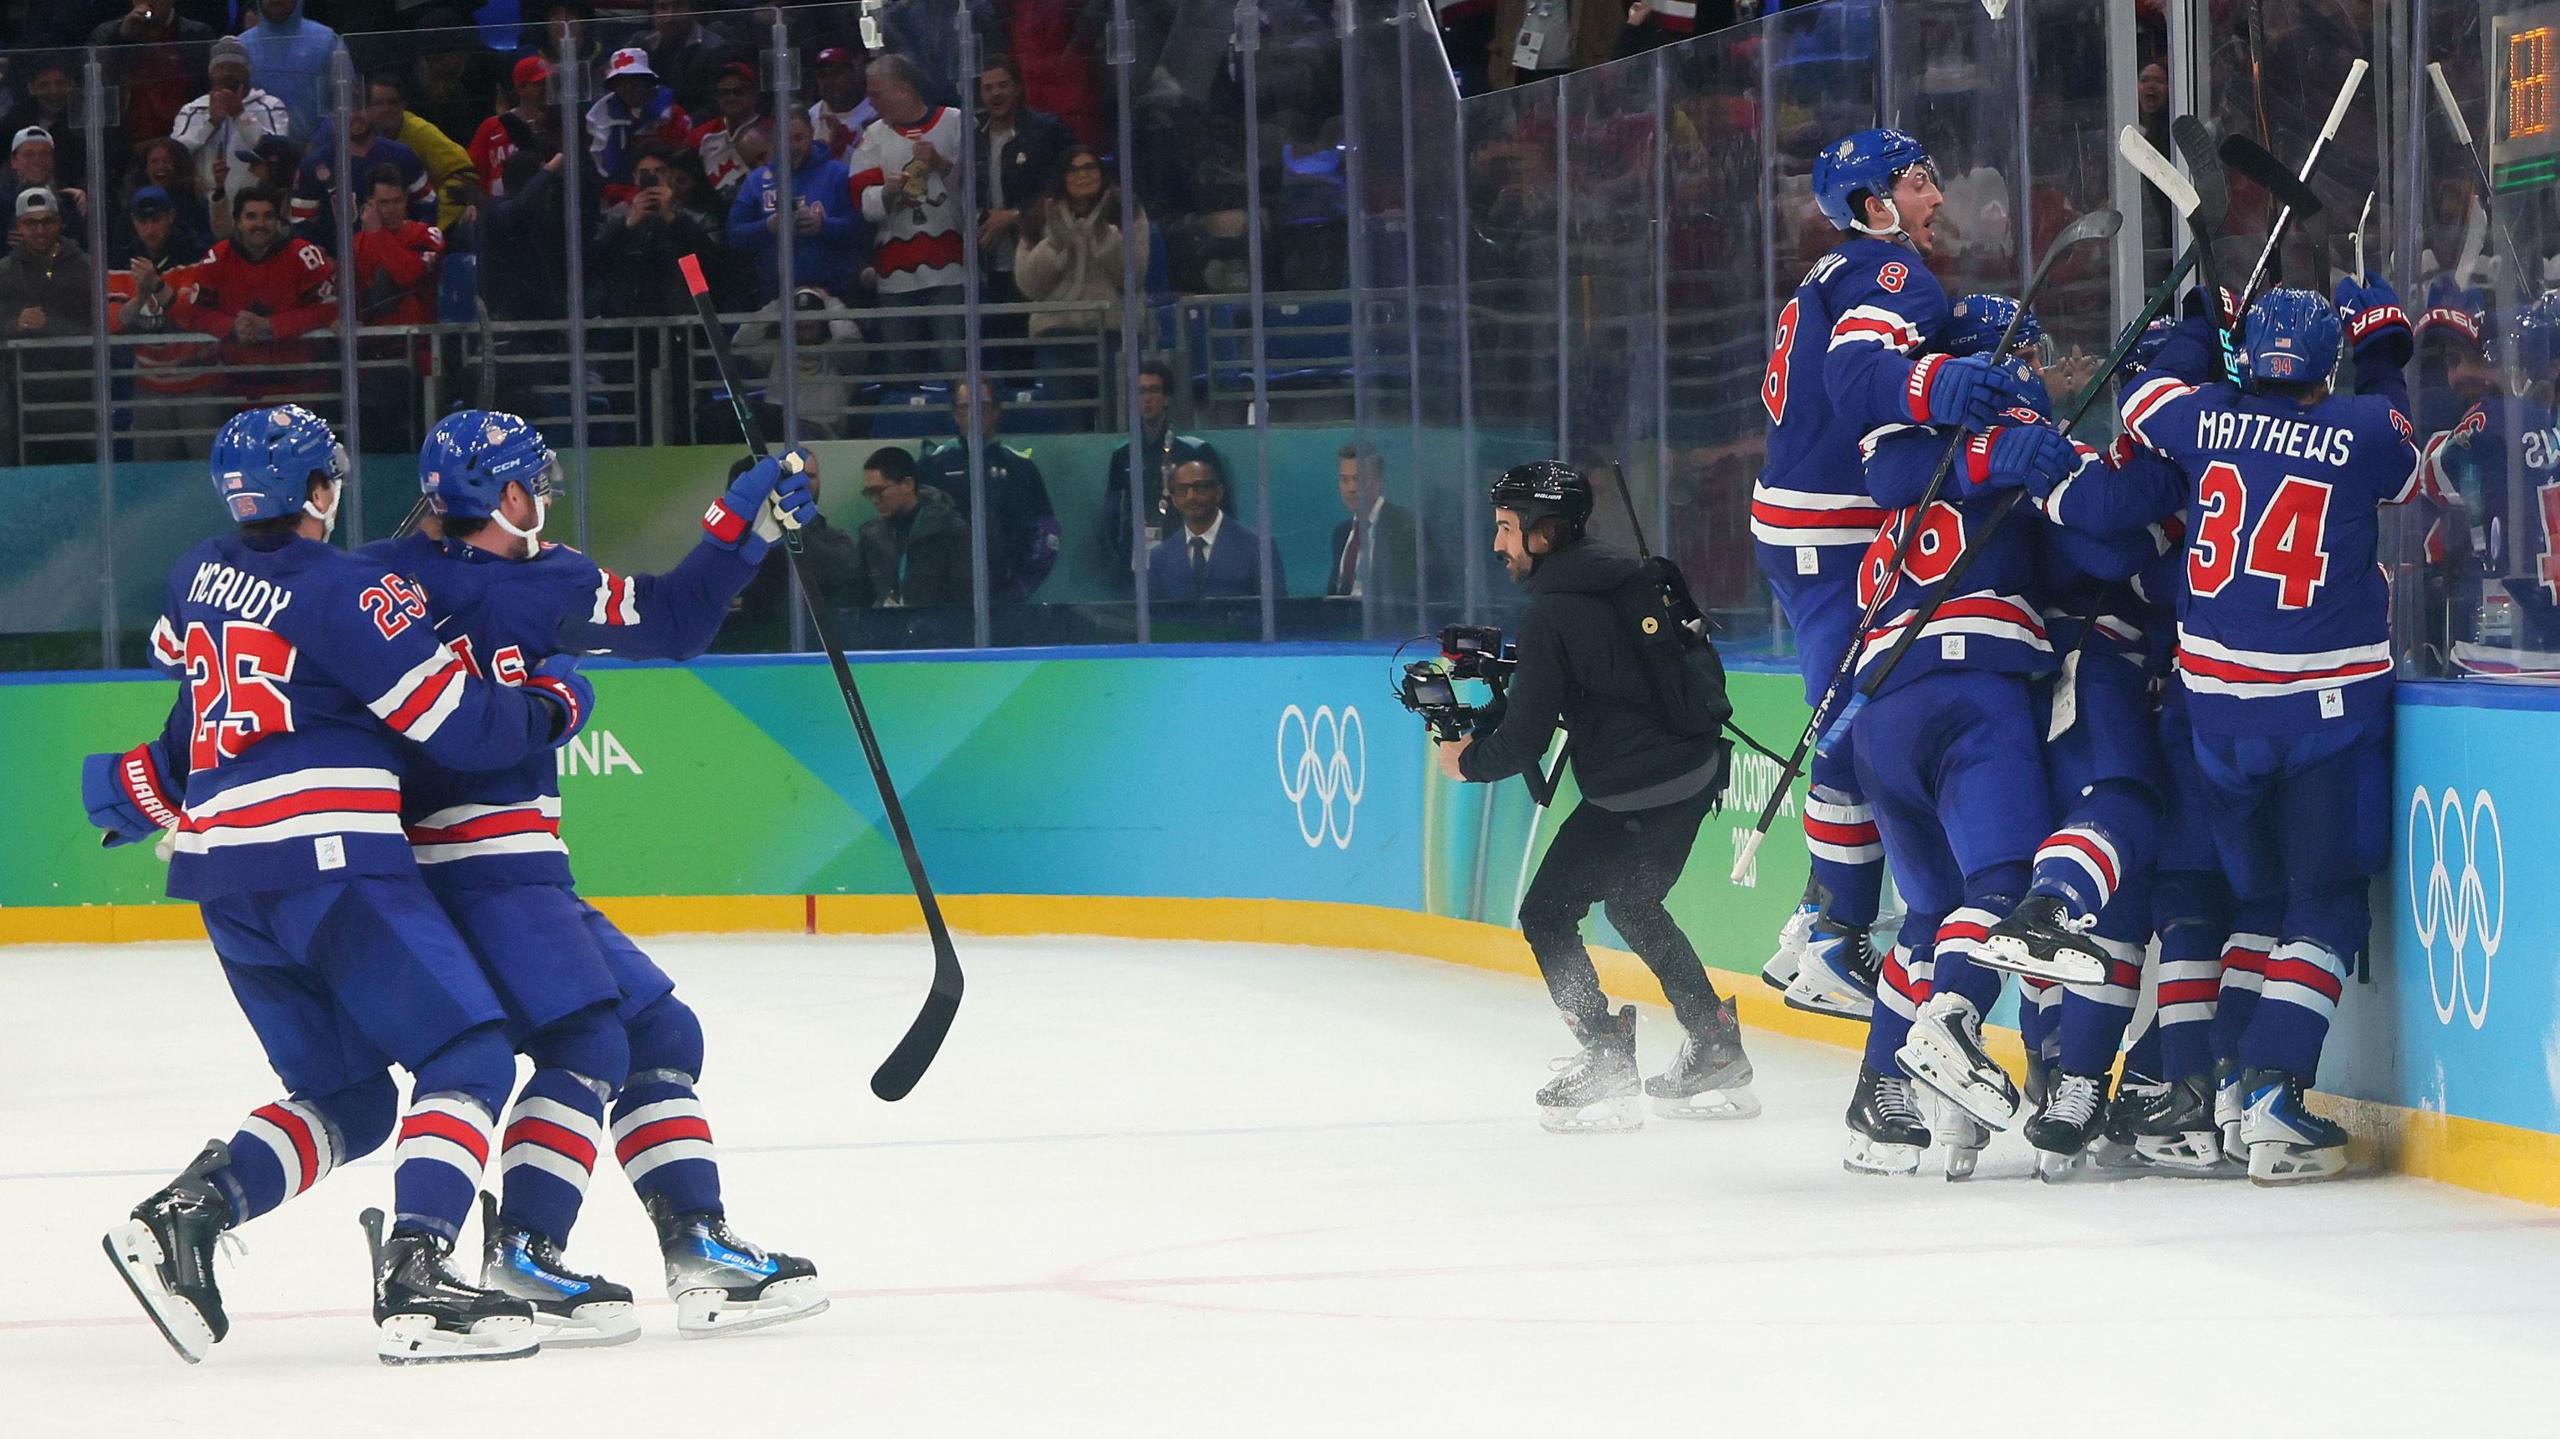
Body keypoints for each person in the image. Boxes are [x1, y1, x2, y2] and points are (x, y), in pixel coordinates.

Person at [86, 405, 590, 1365]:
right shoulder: (350, 588)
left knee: (350, 1096)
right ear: (321, 488)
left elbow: (180, 664)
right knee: (471, 1052)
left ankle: (186, 1213)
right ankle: (418, 1274)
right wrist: (557, 701)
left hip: (224, 874)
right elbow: (462, 728)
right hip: (328, 858)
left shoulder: (194, 573)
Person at [360, 412, 827, 1342]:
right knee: (588, 1042)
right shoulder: (544, 583)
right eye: (532, 480)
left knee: (659, 1029)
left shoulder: (375, 576)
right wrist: (741, 530)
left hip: (463, 866)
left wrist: (748, 532)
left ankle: (695, 1241)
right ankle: (525, 1252)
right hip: (489, 863)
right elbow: (674, 619)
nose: (545, 494)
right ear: (503, 494)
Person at [2110, 281, 2427, 1184]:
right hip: (2322, 717)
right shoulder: (2359, 428)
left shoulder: (2205, 416)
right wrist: (2383, 352)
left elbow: (2141, 400)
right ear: (2326, 367)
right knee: (2323, 903)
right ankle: (2274, 1095)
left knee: (2259, 902)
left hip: (2218, 723)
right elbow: (2406, 463)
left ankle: (2226, 1084)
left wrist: (2200, 327)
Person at [1748, 127, 2028, 1022]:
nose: (1935, 197)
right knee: (1849, 724)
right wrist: (1940, 388)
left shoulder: (1836, 270)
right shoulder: (1895, 272)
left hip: (1797, 521)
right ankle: (1836, 935)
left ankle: (1816, 915)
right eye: (1917, 184)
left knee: (1849, 714)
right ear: (1875, 207)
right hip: (1829, 532)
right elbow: (1856, 373)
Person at [1434, 461, 1748, 1131]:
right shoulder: (1630, 575)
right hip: (1696, 771)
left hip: (1635, 790)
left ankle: (1606, 1053)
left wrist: (1466, 764)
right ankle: (1714, 1041)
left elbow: (1524, 741)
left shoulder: (1550, 612)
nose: (1498, 543)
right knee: (1633, 902)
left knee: (1546, 914)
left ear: (1545, 532)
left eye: (1507, 528)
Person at [849, 54, 964, 377]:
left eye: (876, 94)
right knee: (902, 368)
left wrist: (940, 163)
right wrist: (886, 193)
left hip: (950, 267)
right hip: (895, 272)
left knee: (955, 362)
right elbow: (861, 198)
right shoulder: (873, 136)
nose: (871, 103)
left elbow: (976, 185)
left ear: (903, 90)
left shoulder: (954, 121)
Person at [169, 187, 339, 399]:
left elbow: (330, 309)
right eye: (251, 216)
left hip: (301, 387)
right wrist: (231, 327)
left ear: (278, 220)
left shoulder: (304, 255)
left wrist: (271, 325)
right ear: (237, 221)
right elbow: (196, 313)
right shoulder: (217, 258)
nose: (260, 224)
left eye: (268, 216)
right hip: (237, 388)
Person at [1012, 146, 1143, 398]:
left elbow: (1134, 277)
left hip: (1113, 331)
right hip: (1056, 334)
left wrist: (1105, 239)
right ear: (1062, 177)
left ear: (1101, 172)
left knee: (1115, 415)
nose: (1082, 175)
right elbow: (1029, 286)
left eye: (1089, 167)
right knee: (1067, 417)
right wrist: (1055, 245)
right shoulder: (1041, 214)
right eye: (1072, 170)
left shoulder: (1126, 209)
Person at [921, 380, 1061, 601]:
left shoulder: (1021, 467)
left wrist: (1022, 586)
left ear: (996, 411)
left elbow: (1047, 532)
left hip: (1007, 597)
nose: (974, 414)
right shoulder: (932, 466)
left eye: (982, 406)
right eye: (965, 407)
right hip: (944, 601)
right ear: (955, 414)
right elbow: (916, 535)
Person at [725, 108, 859, 308]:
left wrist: (822, 226)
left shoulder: (837, 173)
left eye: (799, 138)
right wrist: (768, 226)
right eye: (784, 139)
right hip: (774, 295)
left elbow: (859, 228)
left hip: (834, 291)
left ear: (811, 134)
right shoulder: (756, 181)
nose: (793, 147)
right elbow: (733, 235)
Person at [1102, 359, 1226, 570]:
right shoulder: (1123, 456)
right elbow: (1112, 513)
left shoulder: (1194, 451)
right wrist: (1120, 554)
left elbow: (1220, 509)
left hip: (1184, 556)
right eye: (1141, 392)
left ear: (1167, 398)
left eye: (1154, 390)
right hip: (1135, 559)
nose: (1147, 399)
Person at [973, 54, 1073, 308]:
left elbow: (1068, 186)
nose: (996, 93)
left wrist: (1016, 215)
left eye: (1003, 85)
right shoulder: (973, 136)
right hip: (991, 262)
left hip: (1042, 253)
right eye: (988, 88)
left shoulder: (1047, 130)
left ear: (1018, 88)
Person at [591, 143, 726, 318]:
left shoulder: (698, 219)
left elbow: (712, 263)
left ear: (671, 176)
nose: (652, 177)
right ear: (635, 177)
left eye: (660, 171)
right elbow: (596, 260)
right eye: (644, 173)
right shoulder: (616, 218)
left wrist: (673, 219)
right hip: (628, 319)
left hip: (682, 317)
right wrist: (627, 225)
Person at [170, 41, 292, 212]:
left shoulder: (270, 106)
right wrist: (211, 124)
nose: (227, 73)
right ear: (211, 73)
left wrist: (240, 115)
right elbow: (175, 155)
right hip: (206, 204)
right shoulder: (192, 110)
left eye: (235, 67)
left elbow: (279, 152)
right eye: (220, 67)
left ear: (247, 72)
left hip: (256, 204)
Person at [288, 97, 430, 243]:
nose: (354, 115)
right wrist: (317, 252)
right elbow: (300, 221)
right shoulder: (313, 164)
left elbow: (427, 203)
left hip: (398, 254)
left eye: (361, 108)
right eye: (346, 109)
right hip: (336, 256)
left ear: (373, 111)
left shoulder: (402, 156)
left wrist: (416, 243)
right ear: (333, 116)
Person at [849, 446, 972, 608]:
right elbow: (859, 595)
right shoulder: (871, 537)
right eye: (869, 493)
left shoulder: (949, 530)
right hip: (886, 622)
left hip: (938, 621)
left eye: (879, 491)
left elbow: (964, 595)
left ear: (907, 484)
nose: (875, 500)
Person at [1146, 457, 1277, 601]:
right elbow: (1155, 613)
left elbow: (1277, 610)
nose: (1191, 496)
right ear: (1174, 499)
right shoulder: (1160, 557)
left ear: (1218, 493)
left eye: (1200, 487)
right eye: (1182, 489)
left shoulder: (1257, 547)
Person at [92, 0, 219, 146]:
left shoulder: (197, 34)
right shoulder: (109, 32)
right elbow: (92, 73)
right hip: (131, 141)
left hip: (183, 139)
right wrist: (121, 36)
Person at [368, 75, 480, 233]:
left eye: (392, 102)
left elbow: (464, 173)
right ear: (366, 108)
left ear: (403, 105)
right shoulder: (359, 136)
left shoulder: (421, 132)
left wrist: (434, 228)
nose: (386, 109)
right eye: (379, 103)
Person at [588, 47, 692, 199]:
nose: (628, 87)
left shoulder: (672, 115)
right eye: (621, 81)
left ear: (648, 81)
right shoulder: (602, 118)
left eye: (634, 80)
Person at [1327, 443, 1424, 602]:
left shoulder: (1404, 528)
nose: (1350, 488)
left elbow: (1409, 597)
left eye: (1358, 479)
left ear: (1378, 481)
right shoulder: (1341, 533)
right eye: (1344, 479)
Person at [235, 0, 339, 140]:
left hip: (317, 150)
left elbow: (344, 103)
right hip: (255, 148)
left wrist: (319, 144)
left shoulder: (326, 40)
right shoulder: (241, 47)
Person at [0, 189, 91, 340]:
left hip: (79, 355)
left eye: (47, 221)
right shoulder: (4, 271)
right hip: (20, 356)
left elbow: (100, 326)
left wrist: (48, 325)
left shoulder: (86, 267)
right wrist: (16, 324)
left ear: (59, 222)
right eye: (31, 223)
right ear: (19, 226)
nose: (40, 230)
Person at [471, 57, 559, 199]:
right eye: (539, 83)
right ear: (520, 88)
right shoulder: (492, 125)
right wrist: (477, 203)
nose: (547, 88)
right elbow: (473, 171)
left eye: (550, 82)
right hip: (498, 206)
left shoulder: (558, 125)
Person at [691, 60, 768, 200]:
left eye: (739, 92)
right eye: (724, 93)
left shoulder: (772, 131)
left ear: (754, 94)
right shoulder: (701, 135)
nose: (731, 98)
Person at [4, 128, 90, 244]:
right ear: (14, 161)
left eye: (44, 154)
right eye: (29, 155)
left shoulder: (68, 200)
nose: (37, 161)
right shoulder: (4, 202)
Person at [806, 46, 875, 162]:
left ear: (853, 74)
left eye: (836, 72)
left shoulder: (876, 110)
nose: (830, 80)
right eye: (822, 75)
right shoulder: (811, 117)